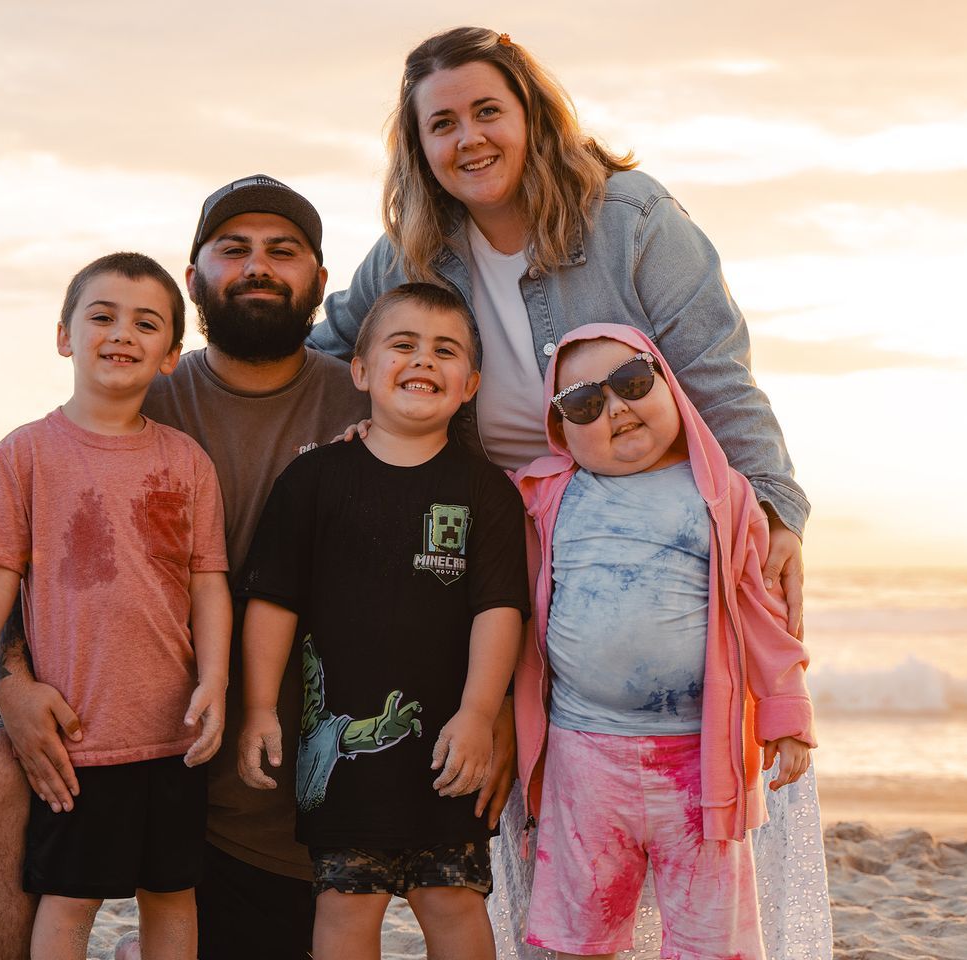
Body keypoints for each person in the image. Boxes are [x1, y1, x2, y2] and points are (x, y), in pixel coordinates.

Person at [0, 175, 381, 960]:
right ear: (195, 277)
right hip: (112, 727)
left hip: (271, 774)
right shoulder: (139, 397)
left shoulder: (365, 405)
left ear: (318, 278)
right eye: (232, 250)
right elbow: (23, 553)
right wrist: (12, 682)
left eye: (284, 251)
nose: (257, 267)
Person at [308, 26, 810, 634]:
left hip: (641, 545)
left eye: (487, 111)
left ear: (531, 116)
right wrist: (361, 426)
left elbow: (716, 375)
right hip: (490, 552)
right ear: (420, 148)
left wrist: (771, 510)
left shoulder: (631, 220)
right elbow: (325, 355)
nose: (470, 139)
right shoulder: (409, 255)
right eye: (442, 124)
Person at [0, 251, 231, 960]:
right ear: (64, 336)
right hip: (78, 737)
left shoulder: (186, 462)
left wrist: (216, 680)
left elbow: (209, 582)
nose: (122, 333)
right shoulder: (25, 454)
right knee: (71, 896)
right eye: (103, 316)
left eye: (146, 323)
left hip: (172, 732)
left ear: (171, 356)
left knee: (172, 893)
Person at [235, 283, 528, 960]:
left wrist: (480, 714)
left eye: (445, 350)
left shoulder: (485, 491)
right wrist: (257, 709)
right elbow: (272, 602)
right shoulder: (312, 481)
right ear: (361, 371)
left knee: (453, 902)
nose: (424, 359)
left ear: (469, 384)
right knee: (344, 908)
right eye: (404, 344)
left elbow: (499, 610)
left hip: (448, 749)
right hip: (339, 757)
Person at [510, 324, 815, 959]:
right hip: (582, 755)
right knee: (578, 934)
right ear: (560, 430)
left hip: (699, 763)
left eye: (631, 383)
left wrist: (786, 714)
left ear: (669, 386)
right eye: (585, 404)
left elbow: (763, 618)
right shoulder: (545, 496)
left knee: (712, 938)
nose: (616, 407)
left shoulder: (721, 495)